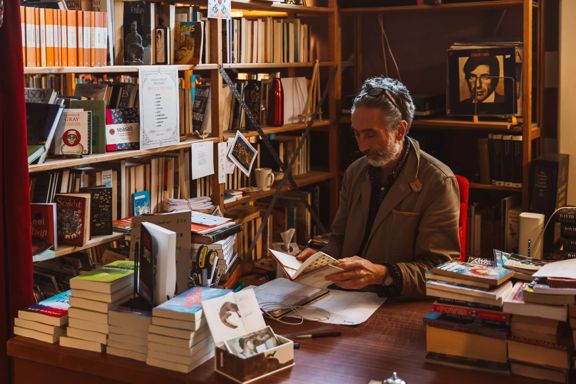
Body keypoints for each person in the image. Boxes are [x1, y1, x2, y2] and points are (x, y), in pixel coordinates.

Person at [298, 76, 460, 298]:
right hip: (343, 301)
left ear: (400, 131)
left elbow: (440, 271)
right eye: (356, 133)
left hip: (395, 302)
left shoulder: (438, 182)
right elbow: (339, 238)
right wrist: (319, 256)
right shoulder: (355, 172)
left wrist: (381, 274)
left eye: (371, 134)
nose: (362, 146)